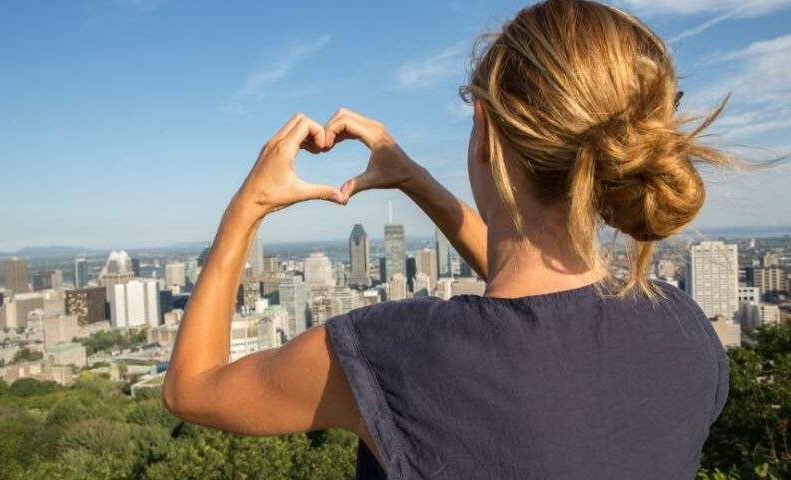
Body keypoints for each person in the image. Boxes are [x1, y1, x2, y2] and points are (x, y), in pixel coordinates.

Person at [162, 1, 731, 478]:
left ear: (483, 130)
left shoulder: (396, 353)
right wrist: (412, 178)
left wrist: (249, 206)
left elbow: (192, 388)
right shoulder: (683, 330)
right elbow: (538, 312)